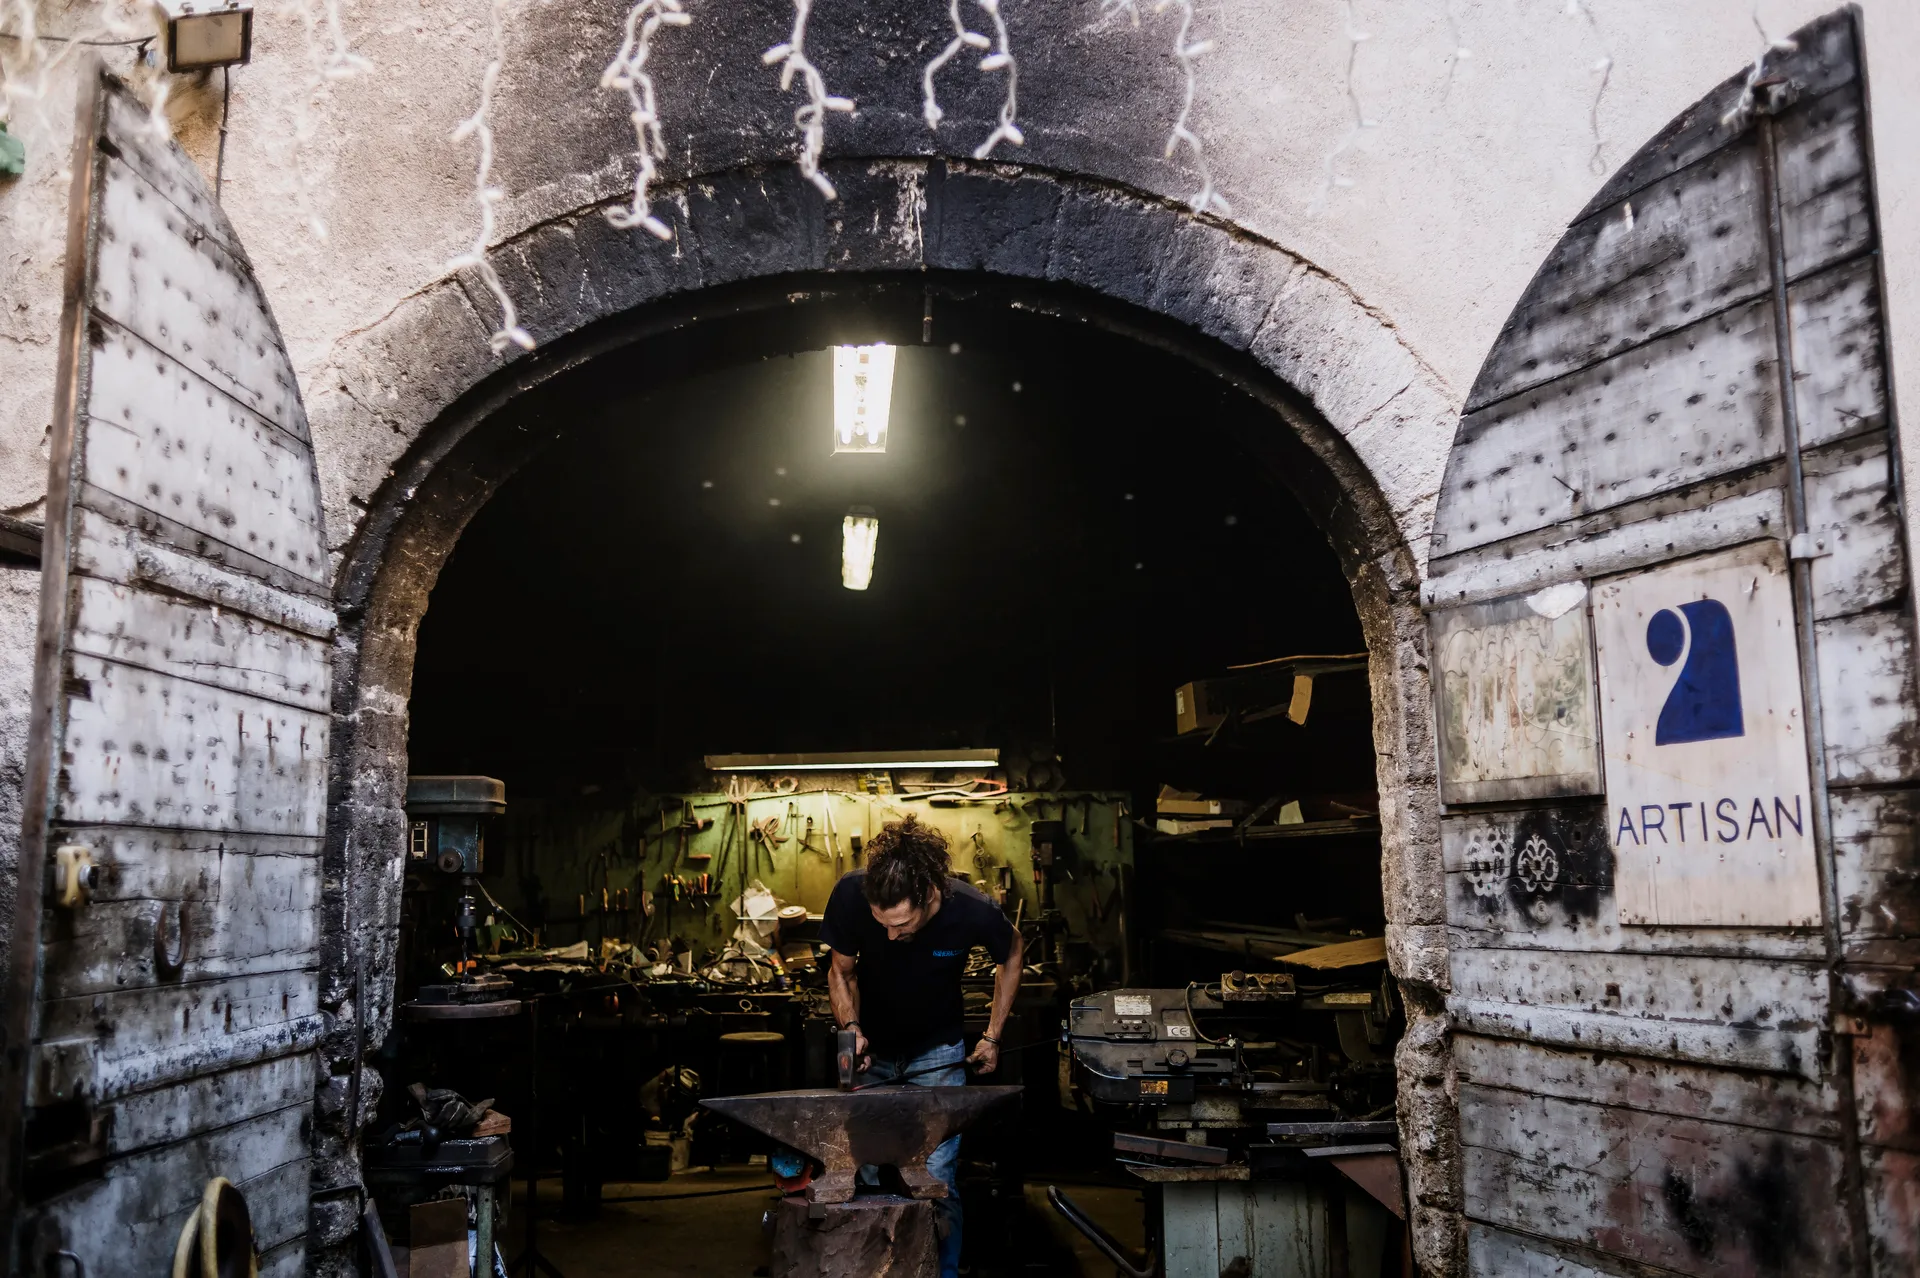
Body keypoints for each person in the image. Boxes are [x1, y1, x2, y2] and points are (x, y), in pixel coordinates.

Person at [820, 814, 1024, 1278]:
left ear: (930, 893)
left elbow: (1012, 954)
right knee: (865, 1176)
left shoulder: (971, 908)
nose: (891, 937)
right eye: (882, 925)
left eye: (902, 925)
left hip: (938, 1054)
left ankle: (940, 1272)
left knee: (936, 1181)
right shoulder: (851, 895)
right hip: (873, 1056)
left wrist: (992, 1035)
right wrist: (851, 1027)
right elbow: (841, 972)